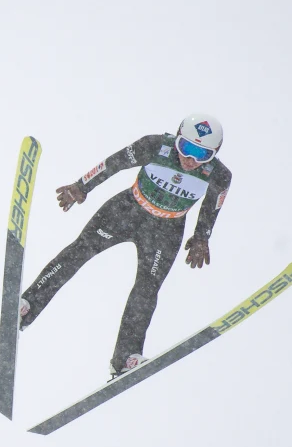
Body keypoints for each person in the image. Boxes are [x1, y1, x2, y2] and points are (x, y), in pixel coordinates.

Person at [18, 113, 231, 378]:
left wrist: (202, 237)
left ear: (215, 154)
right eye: (186, 148)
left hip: (166, 231)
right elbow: (113, 164)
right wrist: (82, 186)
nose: (191, 159)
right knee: (79, 252)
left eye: (202, 154)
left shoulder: (219, 175)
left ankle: (126, 358)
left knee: (147, 289)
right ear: (176, 139)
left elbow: (212, 208)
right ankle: (27, 306)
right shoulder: (155, 146)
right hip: (127, 212)